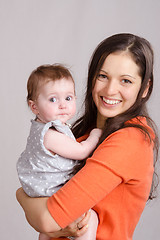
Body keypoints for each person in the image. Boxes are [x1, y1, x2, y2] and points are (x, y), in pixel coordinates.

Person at [16, 33, 159, 240]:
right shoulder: (84, 131)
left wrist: (20, 196)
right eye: (103, 76)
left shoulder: (130, 140)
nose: (110, 90)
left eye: (125, 81)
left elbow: (47, 219)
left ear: (145, 88)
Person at [16, 64, 101, 240]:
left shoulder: (44, 128)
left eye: (69, 98)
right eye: (53, 100)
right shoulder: (49, 134)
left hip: (44, 190)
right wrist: (96, 134)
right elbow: (82, 151)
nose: (63, 105)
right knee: (89, 219)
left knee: (48, 232)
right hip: (50, 192)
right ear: (34, 107)